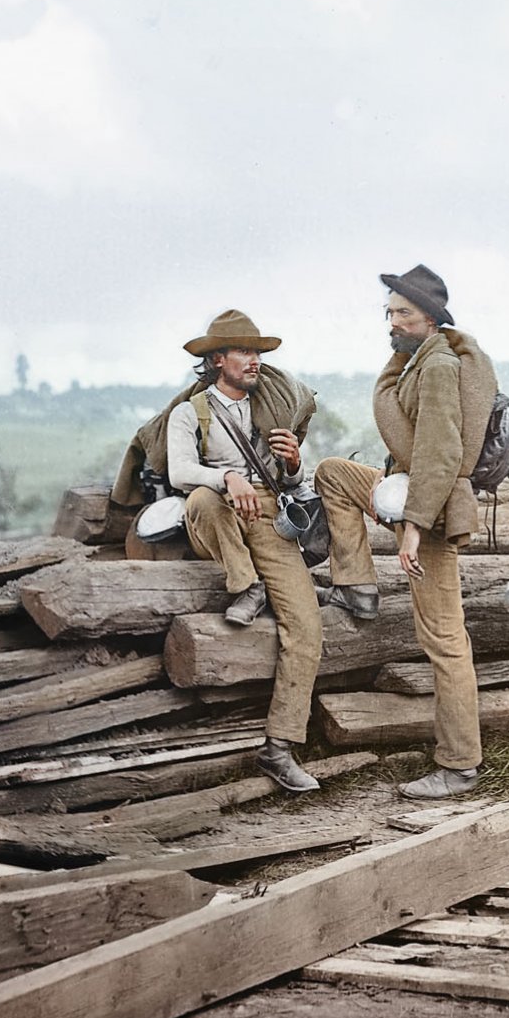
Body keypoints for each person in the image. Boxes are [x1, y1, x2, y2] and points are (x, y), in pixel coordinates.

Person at [314, 265, 496, 801]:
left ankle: (460, 764)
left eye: (402, 313)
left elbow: (441, 453)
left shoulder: (439, 366)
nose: (391, 321)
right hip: (410, 488)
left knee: (444, 639)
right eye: (388, 311)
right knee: (333, 473)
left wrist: (412, 528)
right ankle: (358, 587)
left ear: (431, 319)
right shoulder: (417, 358)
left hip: (433, 509)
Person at [161, 309, 325, 794]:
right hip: (218, 515)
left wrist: (293, 463)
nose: (254, 361)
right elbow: (179, 472)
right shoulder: (190, 412)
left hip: (268, 516)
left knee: (307, 626)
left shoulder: (268, 411)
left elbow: (289, 482)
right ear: (216, 360)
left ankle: (278, 748)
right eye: (243, 352)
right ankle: (246, 584)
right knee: (202, 496)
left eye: (256, 352)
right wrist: (225, 476)